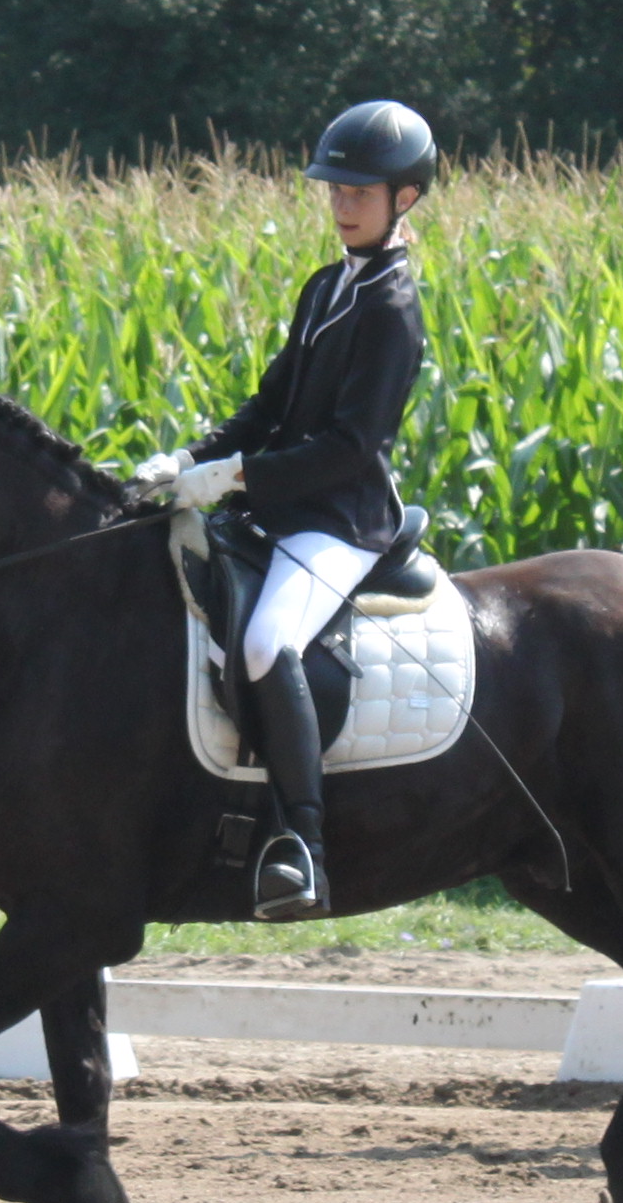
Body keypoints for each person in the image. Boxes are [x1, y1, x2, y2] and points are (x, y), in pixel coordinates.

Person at [132, 101, 435, 921]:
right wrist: (188, 460)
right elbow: (268, 405)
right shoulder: (327, 286)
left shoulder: (392, 306)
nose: (342, 204)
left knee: (268, 642)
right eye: (335, 189)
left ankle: (302, 844)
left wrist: (236, 477)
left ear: (405, 198)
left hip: (341, 519)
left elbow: (350, 447)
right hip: (279, 508)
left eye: (360, 192)